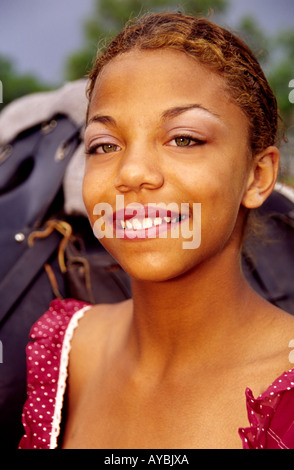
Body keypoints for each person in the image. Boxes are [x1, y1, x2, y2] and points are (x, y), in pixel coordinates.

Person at [18, 12, 294, 449]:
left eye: (183, 138)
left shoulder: (287, 389)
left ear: (258, 177)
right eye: (104, 145)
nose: (132, 173)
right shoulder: (67, 348)